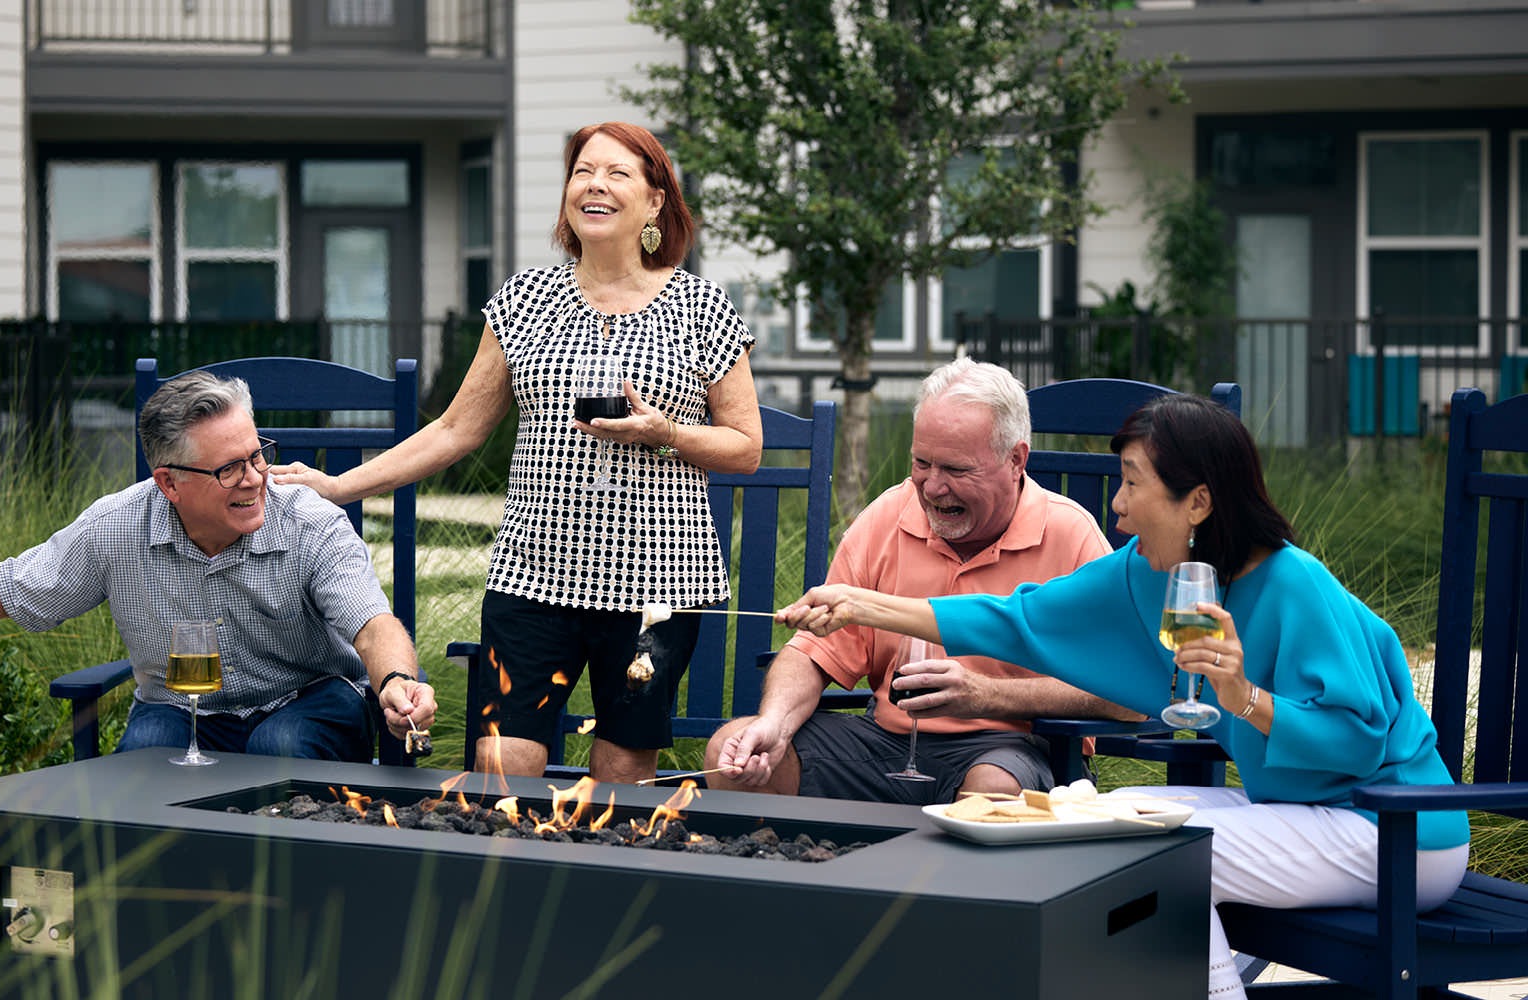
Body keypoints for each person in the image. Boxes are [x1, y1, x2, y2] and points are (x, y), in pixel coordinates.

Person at [778, 394, 1469, 999]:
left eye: (1133, 484)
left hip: (1398, 827)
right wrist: (860, 605)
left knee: (1158, 856)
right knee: (1098, 824)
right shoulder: (1146, 574)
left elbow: (1355, 742)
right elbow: (1016, 616)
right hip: (1299, 813)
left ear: (1197, 500)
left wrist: (1241, 693)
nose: (1117, 504)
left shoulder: (1298, 585)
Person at [272, 121, 761, 784]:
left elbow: (744, 448)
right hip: (536, 573)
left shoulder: (701, 306)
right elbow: (455, 430)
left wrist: (666, 432)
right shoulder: (525, 299)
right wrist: (339, 487)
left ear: (654, 201)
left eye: (618, 173)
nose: (594, 184)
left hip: (659, 583)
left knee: (622, 771)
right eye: (583, 171)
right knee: (502, 763)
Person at [0, 370, 436, 761]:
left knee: (279, 746)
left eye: (257, 455)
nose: (255, 479)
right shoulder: (118, 526)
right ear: (168, 482)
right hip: (179, 704)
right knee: (142, 764)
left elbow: (370, 620)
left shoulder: (306, 520)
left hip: (308, 700)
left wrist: (393, 683)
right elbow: (8, 588)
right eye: (228, 469)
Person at [707, 358, 1136, 806]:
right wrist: (773, 724)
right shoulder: (886, 517)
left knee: (990, 793)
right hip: (882, 743)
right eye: (922, 463)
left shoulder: (1070, 535)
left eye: (955, 469)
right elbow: (813, 654)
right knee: (732, 756)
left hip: (1008, 750)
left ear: (1015, 460)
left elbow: (1124, 691)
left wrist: (988, 695)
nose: (932, 487)